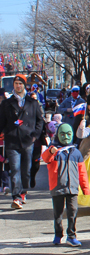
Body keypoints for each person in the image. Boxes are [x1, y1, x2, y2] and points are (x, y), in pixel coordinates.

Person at [0, 74, 44, 209]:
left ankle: (23, 192)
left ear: (24, 85)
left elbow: (40, 121)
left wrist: (35, 135)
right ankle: (16, 197)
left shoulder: (32, 103)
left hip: (28, 141)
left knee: (26, 170)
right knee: (15, 169)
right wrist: (4, 132)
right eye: (16, 83)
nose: (18, 86)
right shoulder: (7, 103)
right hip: (12, 140)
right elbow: (1, 121)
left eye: (20, 83)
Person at [42, 123, 90, 247]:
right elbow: (45, 158)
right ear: (58, 135)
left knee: (73, 211)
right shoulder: (54, 150)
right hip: (57, 187)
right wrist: (51, 151)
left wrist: (85, 188)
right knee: (58, 213)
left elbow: (82, 171)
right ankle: (58, 234)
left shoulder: (76, 152)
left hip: (72, 187)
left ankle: (71, 235)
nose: (66, 137)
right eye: (62, 134)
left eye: (69, 134)